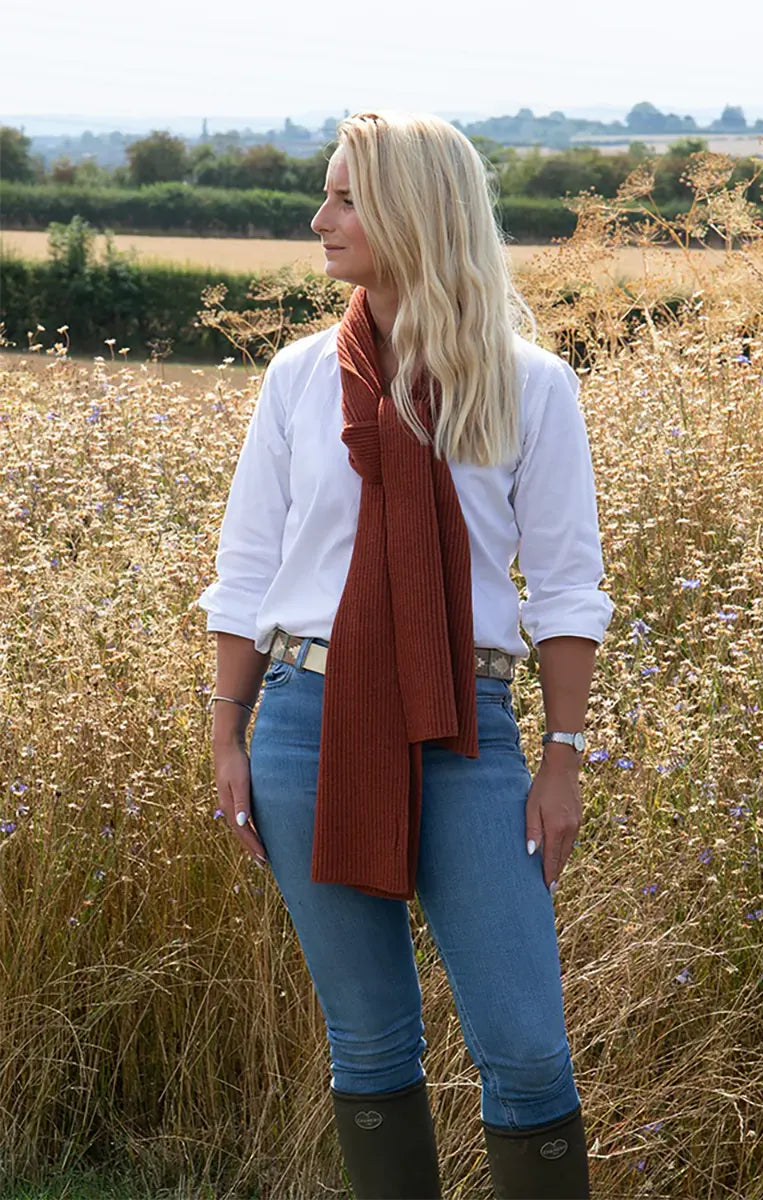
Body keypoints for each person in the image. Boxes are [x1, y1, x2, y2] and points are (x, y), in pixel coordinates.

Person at [196, 110, 613, 1200]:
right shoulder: (297, 379)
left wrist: (563, 758)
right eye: (327, 193)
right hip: (305, 725)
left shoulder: (528, 385)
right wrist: (227, 734)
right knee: (371, 1044)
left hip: (468, 732)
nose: (319, 218)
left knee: (527, 1051)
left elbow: (568, 589)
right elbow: (247, 570)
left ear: (416, 213)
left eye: (346, 197)